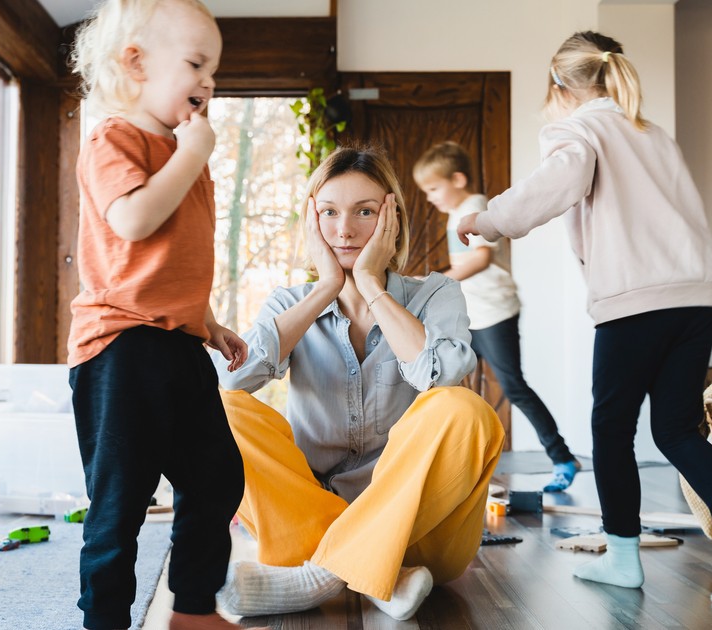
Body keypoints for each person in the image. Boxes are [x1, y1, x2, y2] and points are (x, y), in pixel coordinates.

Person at [457, 31, 712, 607]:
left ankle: (624, 559)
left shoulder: (579, 128)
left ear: (560, 86)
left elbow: (557, 183)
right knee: (676, 428)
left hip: (638, 297)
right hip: (698, 292)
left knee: (611, 428)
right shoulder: (652, 134)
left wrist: (489, 217)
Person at [211, 147, 505, 621]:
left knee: (465, 410)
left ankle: (322, 576)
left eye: (364, 212)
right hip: (305, 524)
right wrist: (325, 288)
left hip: (418, 533)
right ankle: (379, 576)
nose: (344, 230)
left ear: (392, 220)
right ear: (311, 220)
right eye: (328, 212)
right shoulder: (290, 302)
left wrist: (372, 285)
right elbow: (232, 378)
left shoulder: (437, 294)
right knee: (220, 408)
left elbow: (442, 377)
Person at [67, 1, 248, 628]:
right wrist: (191, 156)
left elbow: (175, 261)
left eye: (215, 71)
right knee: (121, 503)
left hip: (178, 344)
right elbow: (135, 220)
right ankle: (107, 620)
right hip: (120, 349)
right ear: (136, 63)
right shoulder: (114, 139)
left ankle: (192, 609)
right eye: (196, 64)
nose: (208, 83)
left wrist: (209, 320)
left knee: (218, 479)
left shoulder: (180, 154)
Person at [414, 141, 581, 492]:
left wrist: (433, 283)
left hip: (494, 313)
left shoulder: (474, 207)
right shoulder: (454, 213)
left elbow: (480, 259)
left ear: (457, 180)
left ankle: (562, 456)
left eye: (433, 188)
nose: (430, 197)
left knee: (513, 387)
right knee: (442, 383)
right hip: (469, 316)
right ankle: (449, 465)